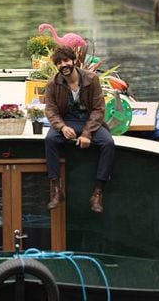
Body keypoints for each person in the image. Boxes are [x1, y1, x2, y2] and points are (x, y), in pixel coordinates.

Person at [43, 45, 114, 213]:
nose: (63, 65)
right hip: (67, 120)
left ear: (74, 61)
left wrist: (87, 133)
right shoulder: (53, 84)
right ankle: (56, 191)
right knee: (50, 140)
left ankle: (97, 192)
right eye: (59, 63)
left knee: (108, 143)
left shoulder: (91, 79)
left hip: (89, 121)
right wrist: (61, 127)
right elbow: (51, 110)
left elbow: (98, 109)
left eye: (66, 60)